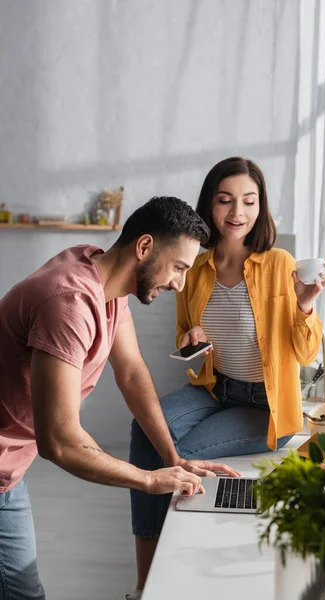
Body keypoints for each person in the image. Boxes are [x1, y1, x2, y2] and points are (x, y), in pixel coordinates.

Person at [0, 196, 238, 600]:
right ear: (144, 247)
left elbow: (130, 371)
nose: (181, 283)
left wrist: (173, 457)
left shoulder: (103, 280)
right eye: (179, 267)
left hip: (9, 467)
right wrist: (147, 479)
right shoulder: (69, 304)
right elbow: (58, 441)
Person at [128, 157, 325, 599]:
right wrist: (191, 341)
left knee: (171, 452)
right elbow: (185, 342)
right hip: (214, 389)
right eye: (225, 201)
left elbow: (304, 352)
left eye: (248, 201)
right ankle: (145, 580)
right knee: (146, 426)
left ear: (261, 208)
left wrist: (306, 304)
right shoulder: (195, 268)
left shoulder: (280, 264)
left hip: (265, 407)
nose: (237, 212)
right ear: (209, 206)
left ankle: (162, 579)